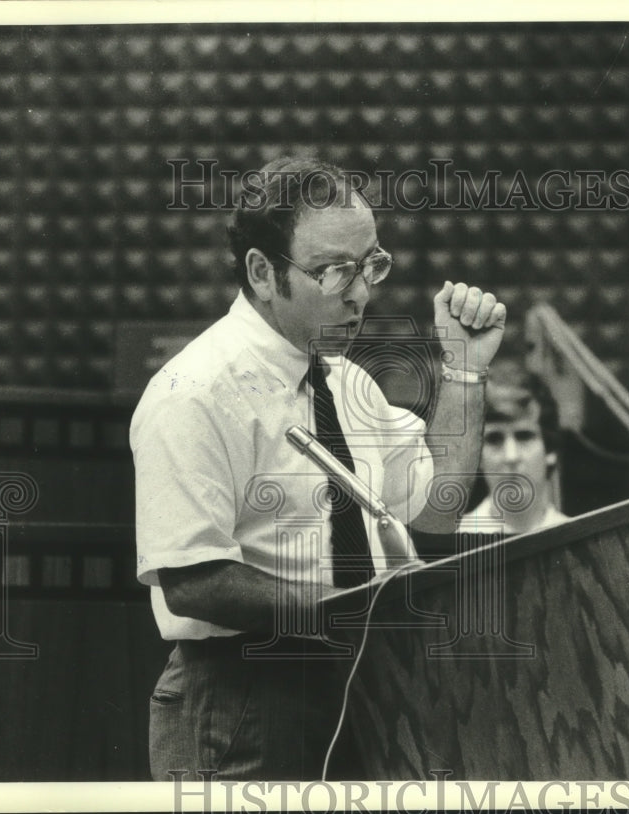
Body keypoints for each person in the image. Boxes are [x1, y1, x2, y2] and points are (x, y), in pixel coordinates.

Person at [130, 156, 507, 781]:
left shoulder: (345, 379)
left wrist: (464, 367)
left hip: (363, 683)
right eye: (333, 271)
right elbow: (193, 580)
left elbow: (436, 506)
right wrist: (352, 611)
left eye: (370, 265)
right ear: (262, 272)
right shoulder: (194, 391)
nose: (360, 292)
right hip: (246, 695)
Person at [458, 358, 569, 537]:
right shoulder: (453, 548)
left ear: (550, 451)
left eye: (524, 436)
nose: (511, 456)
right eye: (494, 439)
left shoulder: (579, 545)